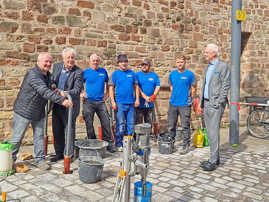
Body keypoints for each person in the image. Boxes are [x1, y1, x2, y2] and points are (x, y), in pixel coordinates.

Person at [10, 52, 73, 170]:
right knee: (17, 137)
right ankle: (9, 161)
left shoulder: (47, 75)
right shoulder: (32, 74)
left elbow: (50, 84)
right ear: (38, 62)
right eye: (46, 61)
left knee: (39, 136)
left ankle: (40, 160)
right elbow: (43, 90)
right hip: (24, 111)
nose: (48, 64)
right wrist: (62, 100)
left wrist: (54, 86)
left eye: (50, 62)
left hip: (39, 111)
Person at [200, 43, 231, 171]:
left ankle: (213, 162)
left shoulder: (222, 66)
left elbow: (226, 84)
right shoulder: (208, 67)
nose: (204, 54)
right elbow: (206, 85)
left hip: (215, 103)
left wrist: (220, 101)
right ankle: (215, 158)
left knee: (213, 132)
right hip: (206, 102)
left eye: (206, 52)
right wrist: (202, 101)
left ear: (214, 53)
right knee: (210, 132)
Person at [50, 48, 83, 162]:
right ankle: (59, 153)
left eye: (72, 57)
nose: (70, 60)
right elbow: (52, 79)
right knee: (56, 129)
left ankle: (68, 154)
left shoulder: (78, 72)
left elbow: (78, 89)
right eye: (68, 57)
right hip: (57, 103)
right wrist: (53, 85)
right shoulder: (57, 66)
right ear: (63, 58)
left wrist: (65, 93)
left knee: (69, 129)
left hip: (70, 105)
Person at [81, 54, 116, 153]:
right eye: (93, 60)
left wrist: (107, 94)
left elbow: (109, 84)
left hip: (101, 102)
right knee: (89, 123)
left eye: (97, 60)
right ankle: (92, 143)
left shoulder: (103, 71)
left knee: (106, 122)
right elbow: (79, 84)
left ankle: (108, 144)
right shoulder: (86, 72)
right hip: (88, 102)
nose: (95, 62)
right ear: (90, 61)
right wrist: (82, 92)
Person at [109, 54, 140, 151]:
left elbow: (136, 87)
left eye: (125, 61)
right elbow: (111, 88)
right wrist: (113, 101)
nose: (124, 63)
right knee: (120, 124)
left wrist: (137, 99)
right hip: (120, 104)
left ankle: (129, 143)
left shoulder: (132, 74)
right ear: (118, 63)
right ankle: (119, 144)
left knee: (130, 124)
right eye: (122, 62)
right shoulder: (115, 74)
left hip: (131, 103)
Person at [168, 55, 196, 155]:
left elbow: (193, 88)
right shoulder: (172, 74)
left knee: (185, 126)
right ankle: (170, 144)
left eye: (181, 62)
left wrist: (191, 99)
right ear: (175, 63)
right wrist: (174, 95)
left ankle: (185, 145)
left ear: (185, 63)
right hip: (173, 103)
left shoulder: (190, 75)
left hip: (185, 104)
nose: (180, 64)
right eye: (178, 62)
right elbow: (171, 86)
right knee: (171, 126)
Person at [135, 60, 160, 127]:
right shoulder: (137, 75)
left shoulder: (154, 75)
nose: (144, 66)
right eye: (142, 65)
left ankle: (148, 137)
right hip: (139, 104)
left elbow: (158, 85)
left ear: (149, 66)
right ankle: (138, 137)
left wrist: (154, 95)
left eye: (146, 65)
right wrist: (144, 96)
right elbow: (136, 87)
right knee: (138, 123)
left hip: (150, 103)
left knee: (149, 123)